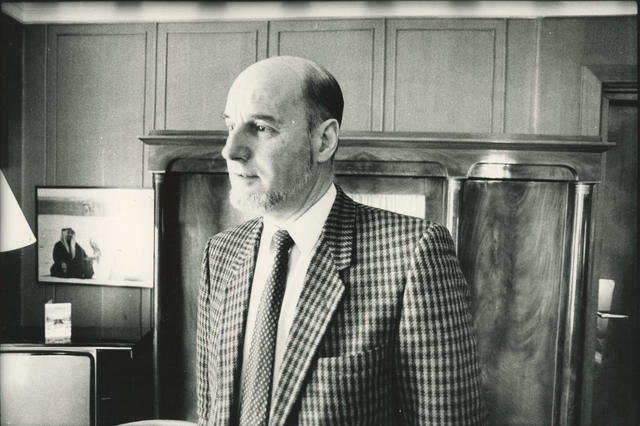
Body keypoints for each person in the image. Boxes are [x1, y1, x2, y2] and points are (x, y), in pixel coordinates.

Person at [197, 56, 483, 425]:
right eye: (230, 126)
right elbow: (211, 409)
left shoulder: (412, 254)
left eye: (261, 128)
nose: (231, 150)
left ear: (324, 141)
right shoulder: (221, 253)